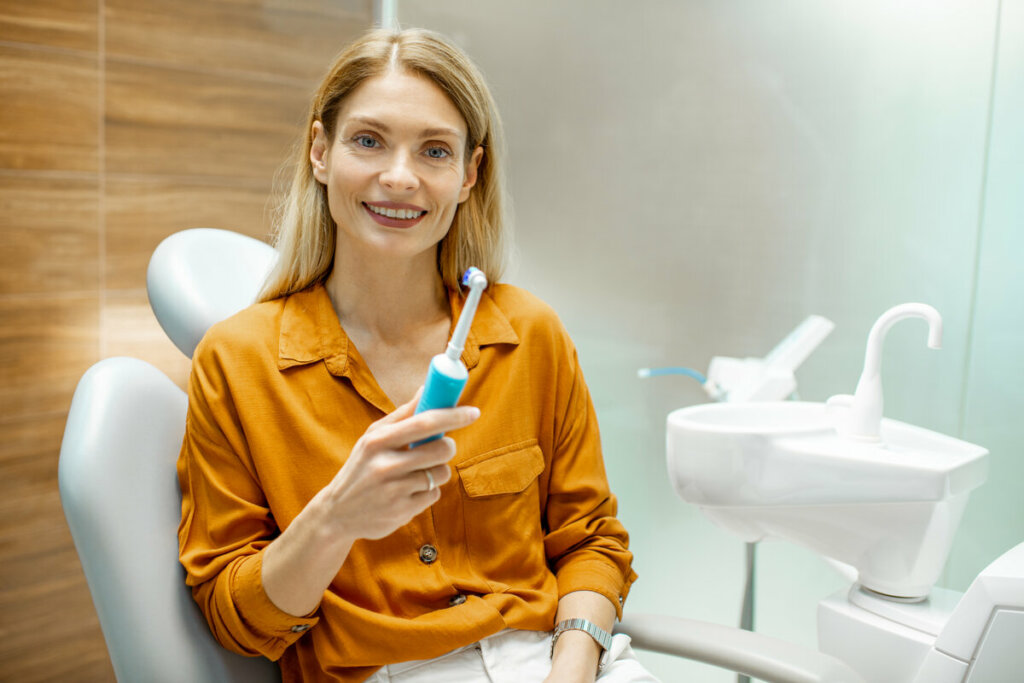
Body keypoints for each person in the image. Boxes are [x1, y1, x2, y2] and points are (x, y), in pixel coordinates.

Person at [177, 27, 657, 683]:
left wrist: (572, 668)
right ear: (321, 151)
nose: (399, 177)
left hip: (558, 660)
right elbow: (238, 619)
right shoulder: (237, 362)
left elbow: (590, 539)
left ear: (468, 175)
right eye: (368, 140)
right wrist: (336, 518)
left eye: (434, 150)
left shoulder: (531, 334)